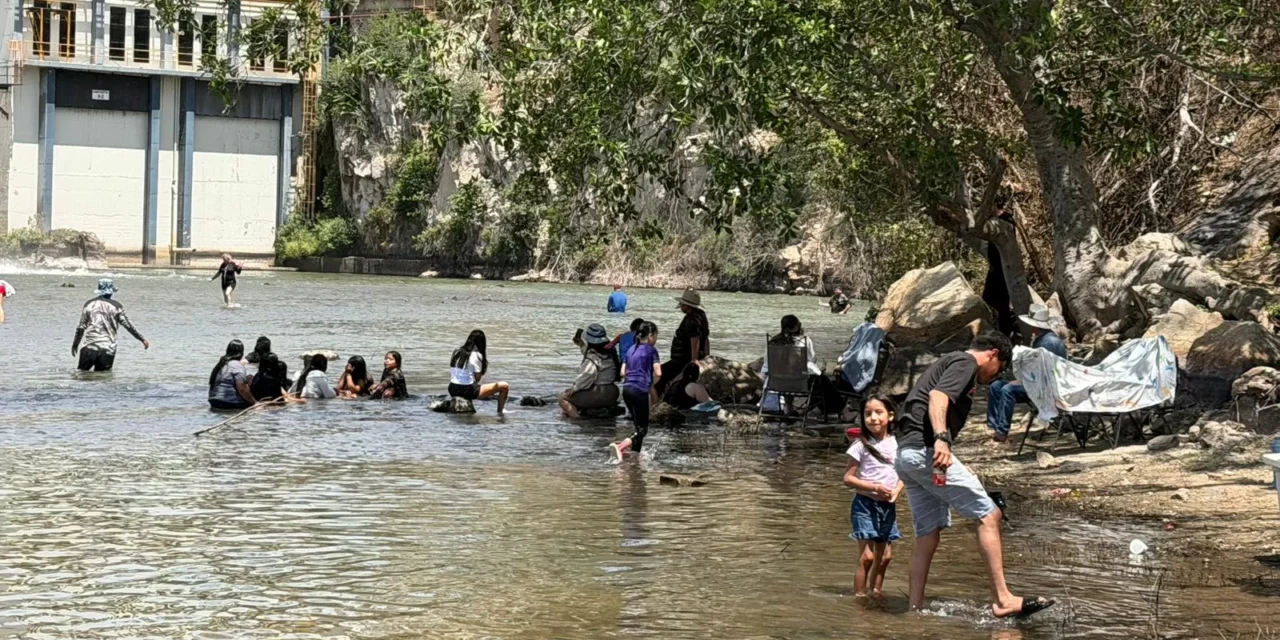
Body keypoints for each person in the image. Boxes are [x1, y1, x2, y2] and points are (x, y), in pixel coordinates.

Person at [894, 332, 1054, 619]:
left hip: (907, 455)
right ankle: (1003, 599)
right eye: (1000, 367)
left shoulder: (949, 361)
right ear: (993, 354)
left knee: (928, 534)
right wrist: (942, 439)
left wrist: (948, 453)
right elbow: (938, 396)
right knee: (989, 514)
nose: (996, 376)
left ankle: (914, 609)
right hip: (925, 451)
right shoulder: (965, 362)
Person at [842, 396, 904, 598]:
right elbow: (848, 478)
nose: (873, 418)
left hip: (888, 506)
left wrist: (896, 491)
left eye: (879, 412)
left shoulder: (898, 444)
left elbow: (905, 474)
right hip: (865, 504)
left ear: (891, 416)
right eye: (867, 414)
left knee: (885, 557)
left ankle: (875, 592)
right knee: (867, 556)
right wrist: (875, 487)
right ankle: (859, 597)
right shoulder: (860, 445)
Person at [986, 304, 1069, 442]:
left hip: (1046, 388)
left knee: (1008, 390)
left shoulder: (1049, 342)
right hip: (1037, 382)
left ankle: (1001, 432)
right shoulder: (1041, 339)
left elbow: (1046, 373)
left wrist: (1022, 381)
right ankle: (994, 426)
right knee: (996, 386)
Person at [761, 315, 840, 413]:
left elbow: (766, 366)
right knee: (821, 380)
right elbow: (812, 360)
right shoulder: (803, 341)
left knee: (787, 378)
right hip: (798, 384)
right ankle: (839, 410)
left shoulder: (772, 342)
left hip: (775, 383)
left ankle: (789, 408)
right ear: (796, 327)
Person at [71, 278, 150, 372]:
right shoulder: (116, 306)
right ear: (111, 291)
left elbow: (81, 327)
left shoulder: (89, 304)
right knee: (103, 379)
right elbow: (128, 326)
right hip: (107, 348)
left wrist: (75, 344)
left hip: (89, 347)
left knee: (82, 375)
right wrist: (142, 339)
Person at [609, 321, 661, 461]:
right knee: (643, 429)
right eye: (656, 336)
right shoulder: (651, 350)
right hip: (639, 391)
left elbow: (622, 373)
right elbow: (658, 373)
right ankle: (621, 447)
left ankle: (634, 455)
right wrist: (649, 384)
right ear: (650, 335)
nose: (656, 339)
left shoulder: (631, 349)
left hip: (626, 390)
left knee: (638, 426)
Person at [560, 324, 622, 418]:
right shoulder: (611, 354)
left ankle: (577, 420)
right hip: (613, 392)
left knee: (562, 398)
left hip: (600, 394)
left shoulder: (592, 358)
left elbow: (586, 377)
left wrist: (574, 388)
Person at [657, 289, 709, 394]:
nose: (680, 306)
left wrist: (694, 360)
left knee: (660, 376)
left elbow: (695, 339)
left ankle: (658, 400)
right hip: (685, 358)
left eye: (682, 304)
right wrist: (707, 356)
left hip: (683, 359)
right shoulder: (701, 314)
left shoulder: (691, 319)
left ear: (688, 306)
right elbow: (706, 336)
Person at [448, 330, 510, 413]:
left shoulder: (457, 351)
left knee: (473, 384)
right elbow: (477, 378)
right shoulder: (477, 355)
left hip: (452, 388)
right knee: (504, 386)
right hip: (466, 390)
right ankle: (501, 410)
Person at [981, 203, 1018, 337]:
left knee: (1002, 302)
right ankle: (1001, 325)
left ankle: (1005, 331)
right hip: (995, 269)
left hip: (1003, 269)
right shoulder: (993, 220)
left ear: (994, 204)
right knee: (988, 298)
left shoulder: (1006, 219)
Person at [208, 340, 256, 410]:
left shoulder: (220, 364)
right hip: (229, 403)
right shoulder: (236, 365)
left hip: (214, 402)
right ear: (241, 353)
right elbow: (242, 389)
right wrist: (254, 402)